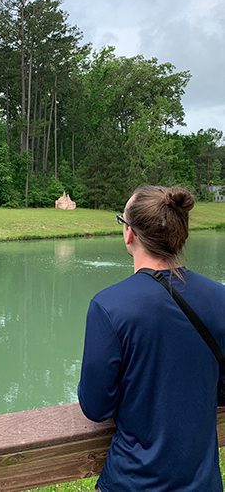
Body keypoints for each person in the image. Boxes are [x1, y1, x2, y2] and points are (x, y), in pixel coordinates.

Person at [77, 185, 225, 491]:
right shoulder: (220, 298)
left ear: (129, 234)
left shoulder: (109, 306)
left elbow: (95, 406)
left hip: (133, 482)